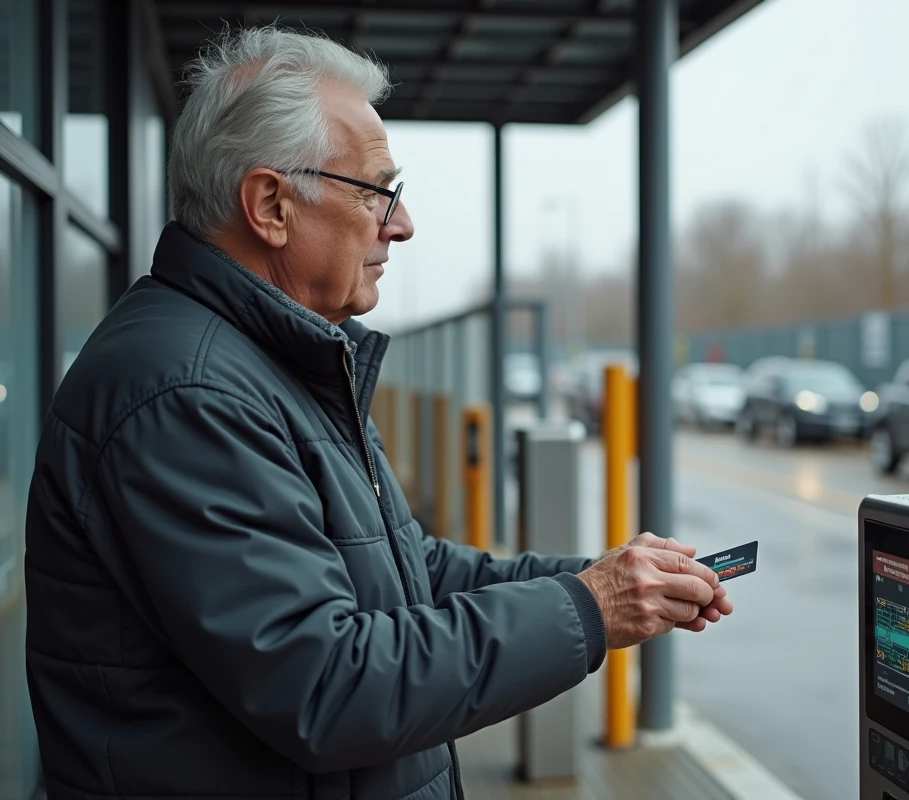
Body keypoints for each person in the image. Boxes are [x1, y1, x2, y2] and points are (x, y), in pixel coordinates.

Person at [23, 25, 733, 800]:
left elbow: (406, 572)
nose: (401, 224)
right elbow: (326, 686)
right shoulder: (185, 393)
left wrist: (606, 580)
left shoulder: (269, 361)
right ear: (271, 204)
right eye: (378, 192)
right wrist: (590, 609)